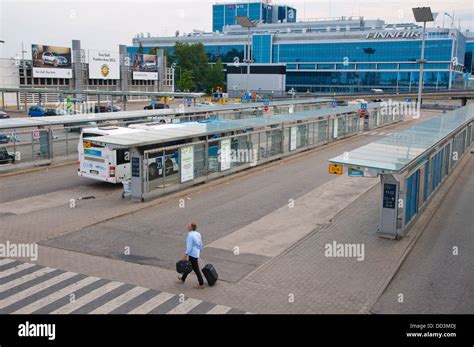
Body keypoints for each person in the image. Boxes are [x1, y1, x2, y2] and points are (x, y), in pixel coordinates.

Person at [178, 223, 204, 289]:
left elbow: (189, 247)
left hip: (192, 254)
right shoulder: (198, 234)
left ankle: (201, 284)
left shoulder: (190, 236)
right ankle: (183, 278)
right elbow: (201, 243)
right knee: (189, 267)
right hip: (196, 253)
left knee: (196, 269)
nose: (187, 227)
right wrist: (200, 250)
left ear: (191, 228)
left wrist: (186, 254)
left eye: (188, 226)